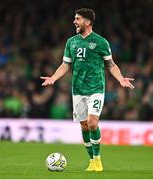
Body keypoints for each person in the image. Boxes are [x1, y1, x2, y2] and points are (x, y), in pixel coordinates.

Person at [40, 8, 134, 172]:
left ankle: (98, 160)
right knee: (84, 126)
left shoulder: (101, 42)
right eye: (75, 18)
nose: (74, 22)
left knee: (92, 123)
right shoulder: (71, 42)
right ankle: (91, 160)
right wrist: (54, 77)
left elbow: (110, 64)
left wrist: (120, 78)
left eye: (77, 19)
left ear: (88, 22)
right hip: (78, 90)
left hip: (96, 88)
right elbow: (65, 64)